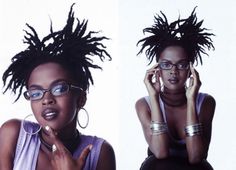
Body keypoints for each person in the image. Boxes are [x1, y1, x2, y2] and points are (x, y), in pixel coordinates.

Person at [0, 4, 116, 170]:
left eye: (59, 89)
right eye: (36, 93)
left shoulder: (100, 152)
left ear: (81, 98)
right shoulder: (13, 135)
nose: (46, 99)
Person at [135, 7, 215, 170]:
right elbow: (160, 152)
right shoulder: (144, 105)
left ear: (191, 69)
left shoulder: (205, 102)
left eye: (181, 64)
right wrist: (154, 97)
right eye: (166, 64)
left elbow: (196, 156)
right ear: (157, 68)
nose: (173, 71)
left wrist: (191, 100)